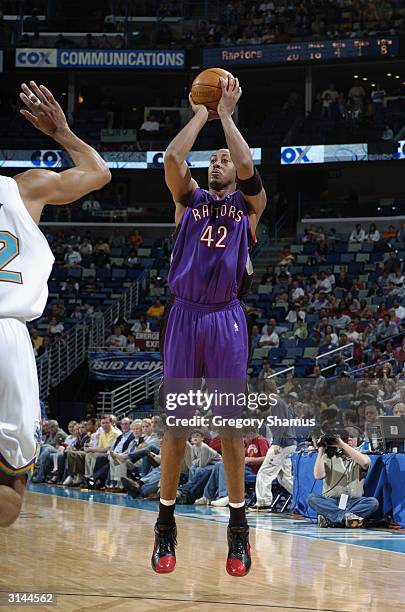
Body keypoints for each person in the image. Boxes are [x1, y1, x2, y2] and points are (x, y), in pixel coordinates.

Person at [153, 75, 267, 576]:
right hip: (184, 314)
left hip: (225, 317)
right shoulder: (188, 202)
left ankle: (238, 531)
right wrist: (201, 111)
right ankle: (165, 523)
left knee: (231, 427)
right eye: (213, 158)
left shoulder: (249, 209)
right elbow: (173, 161)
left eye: (224, 157)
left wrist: (227, 116)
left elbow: (247, 166)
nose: (219, 161)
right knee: (176, 426)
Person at [0, 81, 110, 527]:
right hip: (7, 336)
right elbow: (98, 172)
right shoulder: (24, 187)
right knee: (10, 483)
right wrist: (62, 132)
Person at [308, 430, 379, 528]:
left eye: (352, 436)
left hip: (354, 502)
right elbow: (318, 475)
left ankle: (332, 519)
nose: (349, 439)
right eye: (345, 437)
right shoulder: (328, 456)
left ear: (358, 440)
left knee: (373, 502)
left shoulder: (362, 456)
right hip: (332, 501)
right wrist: (321, 450)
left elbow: (365, 463)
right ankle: (346, 517)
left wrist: (342, 444)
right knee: (312, 498)